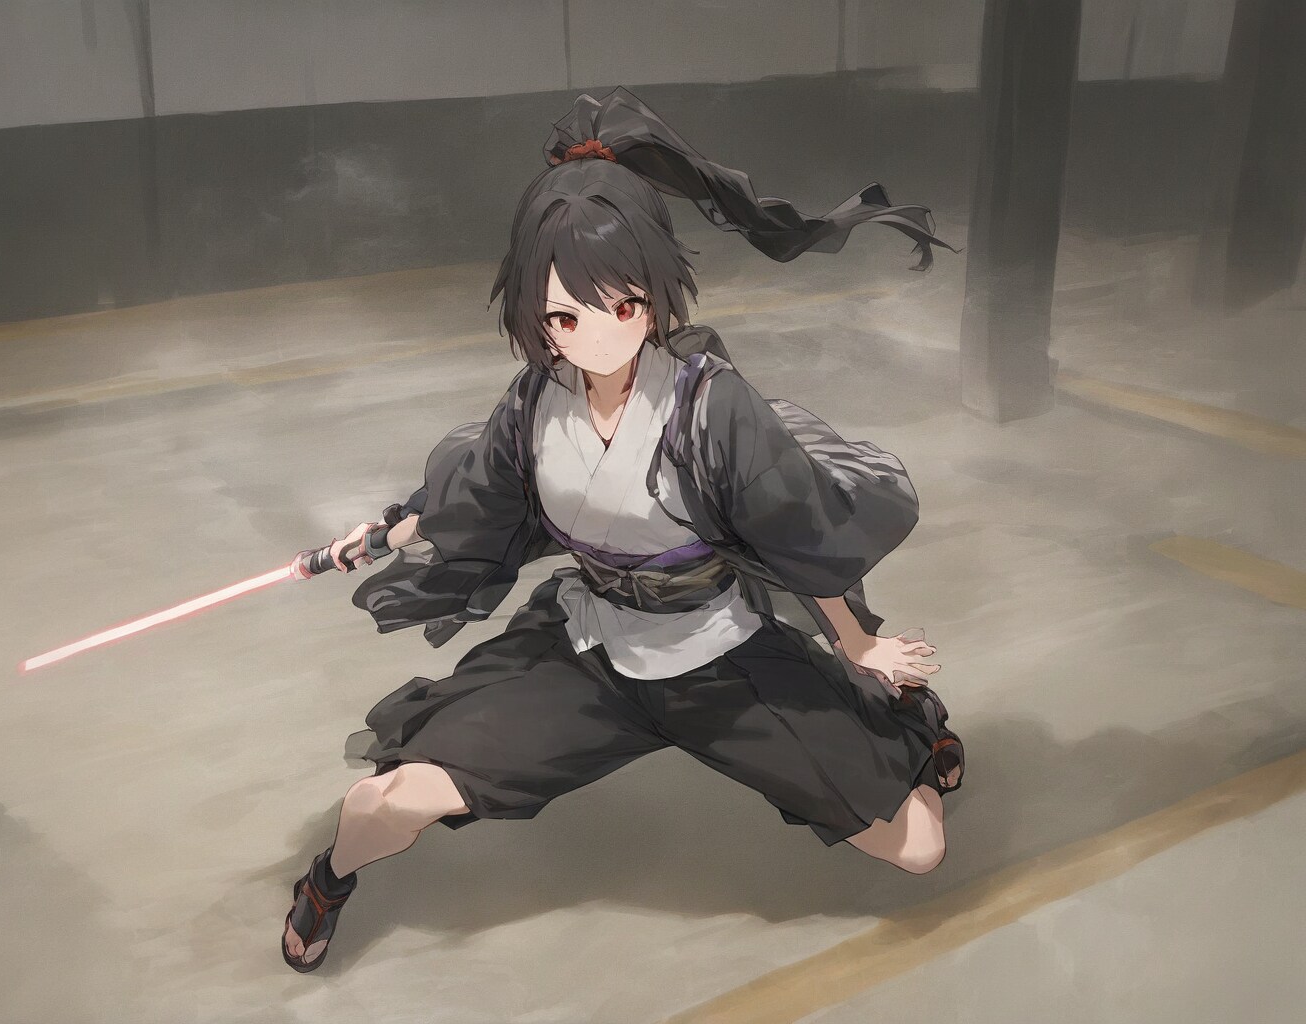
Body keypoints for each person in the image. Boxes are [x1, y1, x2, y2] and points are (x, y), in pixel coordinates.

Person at [282, 87, 962, 973]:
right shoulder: (536, 401)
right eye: (564, 317)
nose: (594, 336)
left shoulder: (712, 407)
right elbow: (477, 494)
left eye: (622, 305)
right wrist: (384, 533)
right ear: (536, 316)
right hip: (587, 651)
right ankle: (327, 881)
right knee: (383, 804)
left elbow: (794, 532)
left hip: (719, 656)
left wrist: (859, 643)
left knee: (919, 847)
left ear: (651, 295)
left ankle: (908, 723)